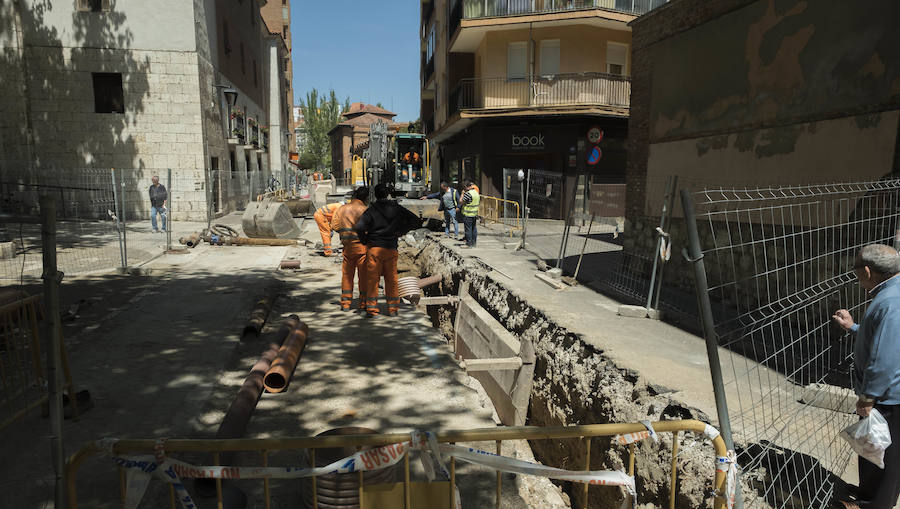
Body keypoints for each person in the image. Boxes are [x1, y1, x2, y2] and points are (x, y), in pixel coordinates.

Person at [832, 244, 900, 509]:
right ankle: (869, 495)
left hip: (888, 395)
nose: (858, 278)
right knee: (877, 449)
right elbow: (883, 338)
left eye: (858, 273)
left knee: (886, 454)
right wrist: (854, 327)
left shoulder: (891, 303)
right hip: (889, 392)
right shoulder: (892, 293)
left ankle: (874, 504)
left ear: (869, 271)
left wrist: (868, 396)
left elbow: (884, 359)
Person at [353, 184, 420, 318]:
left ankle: (372, 310)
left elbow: (359, 227)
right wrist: (401, 231)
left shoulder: (371, 210)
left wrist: (365, 240)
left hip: (375, 250)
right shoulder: (396, 209)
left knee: (373, 280)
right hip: (391, 249)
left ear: (376, 195)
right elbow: (415, 221)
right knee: (392, 280)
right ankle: (393, 309)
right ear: (388, 194)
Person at [331, 187, 370, 311]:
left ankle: (346, 303)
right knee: (363, 278)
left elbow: (334, 225)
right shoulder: (366, 210)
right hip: (362, 249)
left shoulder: (341, 209)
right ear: (365, 198)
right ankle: (363, 304)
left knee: (347, 276)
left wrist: (345, 233)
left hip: (347, 248)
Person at [459, 180, 480, 248]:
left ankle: (468, 243)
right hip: (474, 214)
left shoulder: (468, 194)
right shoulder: (476, 193)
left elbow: (461, 202)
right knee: (474, 229)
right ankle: (473, 243)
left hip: (468, 214)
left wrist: (462, 194)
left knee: (468, 229)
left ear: (466, 187)